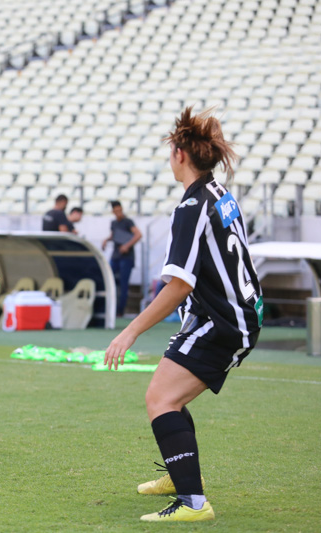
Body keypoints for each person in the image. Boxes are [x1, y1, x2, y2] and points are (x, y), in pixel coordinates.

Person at [104, 107, 263, 522]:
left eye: (170, 150)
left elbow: (178, 286)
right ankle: (181, 476)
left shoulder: (191, 207)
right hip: (229, 314)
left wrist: (129, 332)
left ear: (180, 154)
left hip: (223, 321)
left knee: (160, 397)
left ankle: (193, 503)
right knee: (167, 394)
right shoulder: (220, 194)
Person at [101, 200, 142, 316]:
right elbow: (114, 235)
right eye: (116, 210)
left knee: (124, 284)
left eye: (120, 210)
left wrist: (127, 246)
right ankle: (110, 309)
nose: (118, 212)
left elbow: (138, 234)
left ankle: (120, 311)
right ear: (113, 211)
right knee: (108, 281)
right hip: (115, 256)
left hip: (126, 258)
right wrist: (106, 240)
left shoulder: (128, 222)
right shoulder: (114, 223)